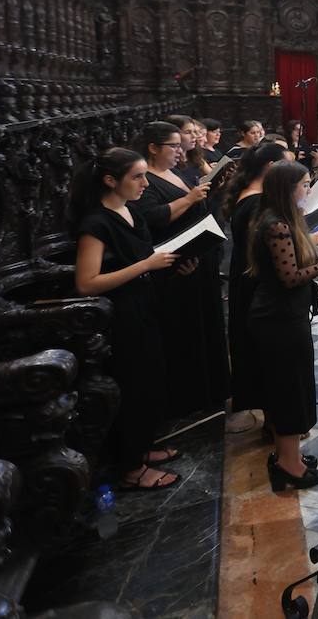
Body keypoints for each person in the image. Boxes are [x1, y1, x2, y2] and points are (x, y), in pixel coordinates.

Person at [71, 148, 184, 491]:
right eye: (137, 177)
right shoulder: (97, 222)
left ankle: (143, 447)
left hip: (145, 305)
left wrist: (174, 263)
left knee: (150, 381)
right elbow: (86, 282)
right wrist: (146, 266)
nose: (145, 183)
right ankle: (131, 468)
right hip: (120, 315)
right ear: (110, 181)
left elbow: (143, 258)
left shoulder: (131, 210)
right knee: (133, 387)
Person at [247, 161, 318, 491]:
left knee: (293, 385)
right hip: (278, 319)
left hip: (284, 315)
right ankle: (288, 464)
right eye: (304, 185)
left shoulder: (282, 220)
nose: (308, 190)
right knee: (288, 390)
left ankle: (289, 455)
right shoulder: (277, 225)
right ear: (287, 189)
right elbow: (290, 278)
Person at [132, 120, 228, 418]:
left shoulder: (174, 172)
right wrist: (190, 197)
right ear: (153, 148)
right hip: (176, 264)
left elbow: (194, 208)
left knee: (208, 324)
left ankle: (213, 391)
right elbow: (154, 218)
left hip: (201, 256)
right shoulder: (146, 180)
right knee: (186, 332)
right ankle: (193, 398)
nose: (179, 150)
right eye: (173, 146)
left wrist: (211, 192)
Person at [221, 142, 292, 416]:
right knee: (265, 355)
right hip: (258, 284)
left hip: (250, 277)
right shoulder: (254, 203)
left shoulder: (252, 194)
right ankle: (274, 418)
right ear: (272, 168)